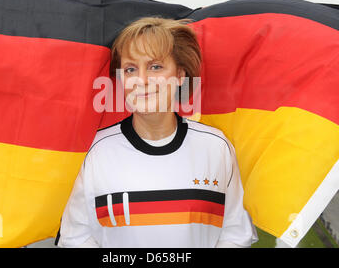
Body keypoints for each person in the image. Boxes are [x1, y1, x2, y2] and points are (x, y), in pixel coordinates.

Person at [57, 17, 258, 248]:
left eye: (155, 67)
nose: (142, 80)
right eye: (131, 69)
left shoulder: (216, 147)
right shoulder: (97, 151)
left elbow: (235, 234)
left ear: (181, 75)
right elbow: (76, 239)